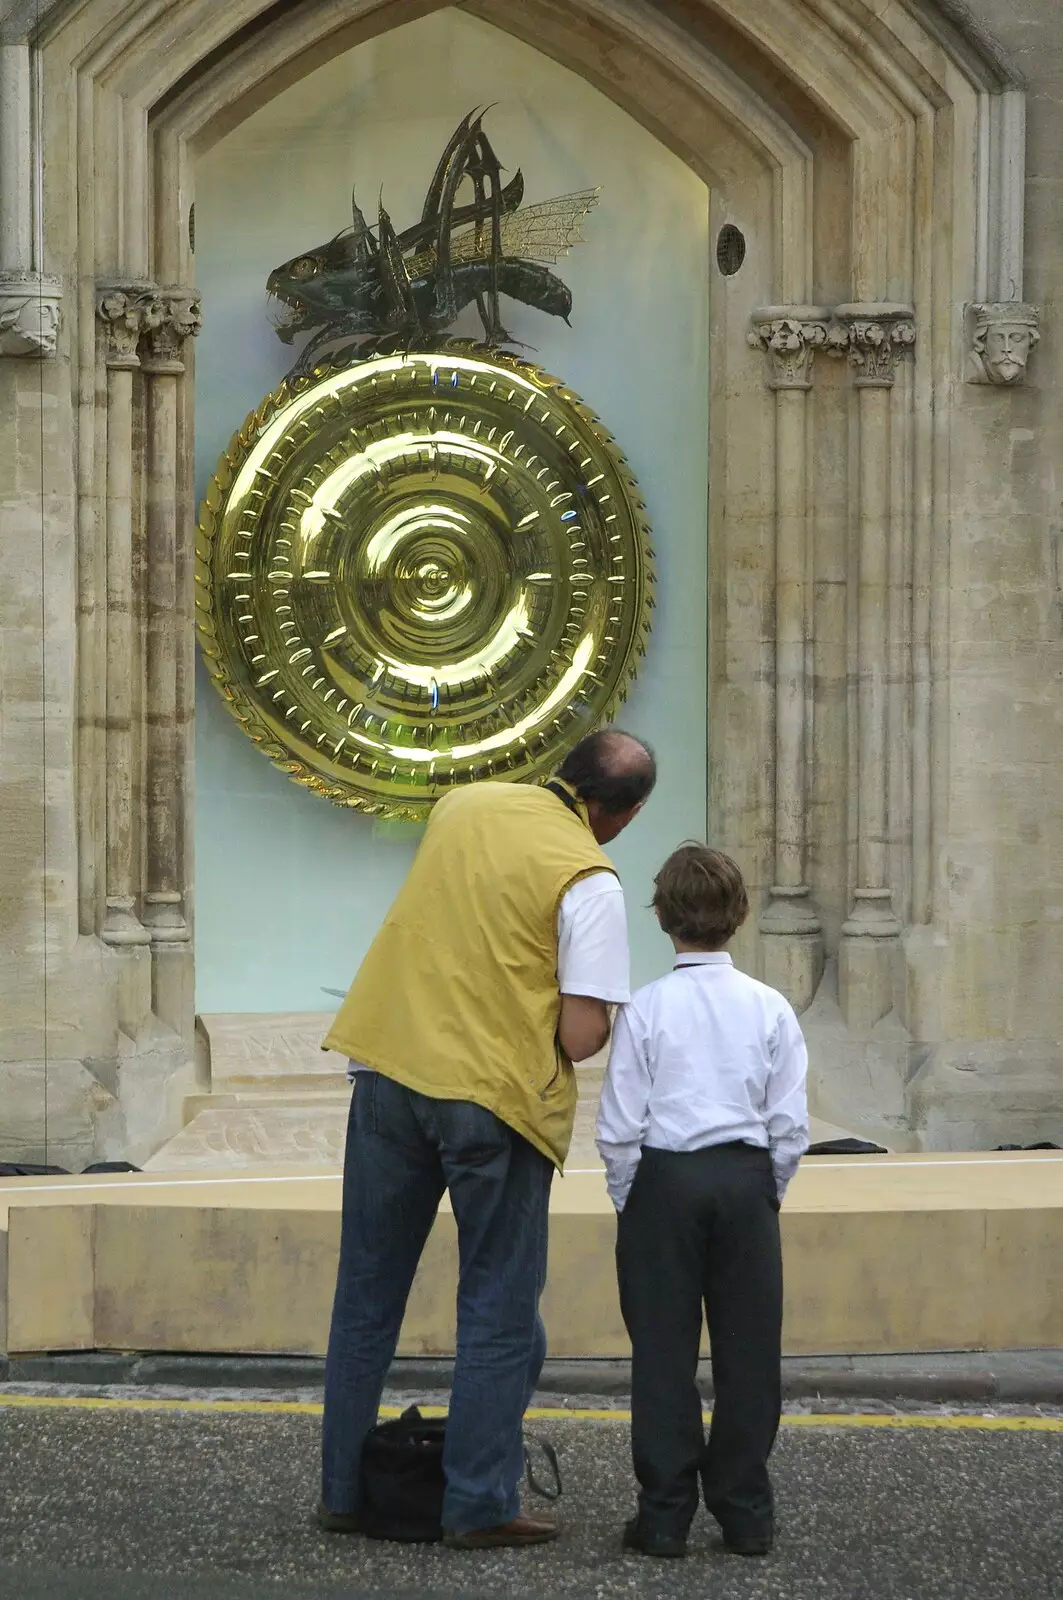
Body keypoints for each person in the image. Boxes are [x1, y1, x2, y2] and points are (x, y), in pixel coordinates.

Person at [318, 729, 656, 1550]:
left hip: (390, 1067)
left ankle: (341, 1495)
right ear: (620, 815)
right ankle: (476, 1503)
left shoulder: (462, 806)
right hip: (491, 1103)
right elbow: (579, 1038)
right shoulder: (591, 879)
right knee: (498, 1310)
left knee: (366, 1296)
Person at [595, 843, 808, 1560]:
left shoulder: (645, 1009)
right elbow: (789, 1126)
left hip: (664, 1178)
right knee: (749, 1354)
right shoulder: (770, 1007)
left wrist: (634, 1199)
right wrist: (763, 1191)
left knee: (661, 1352)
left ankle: (662, 1516)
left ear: (662, 918)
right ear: (741, 915)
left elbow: (619, 1127)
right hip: (744, 1179)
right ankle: (745, 1514)